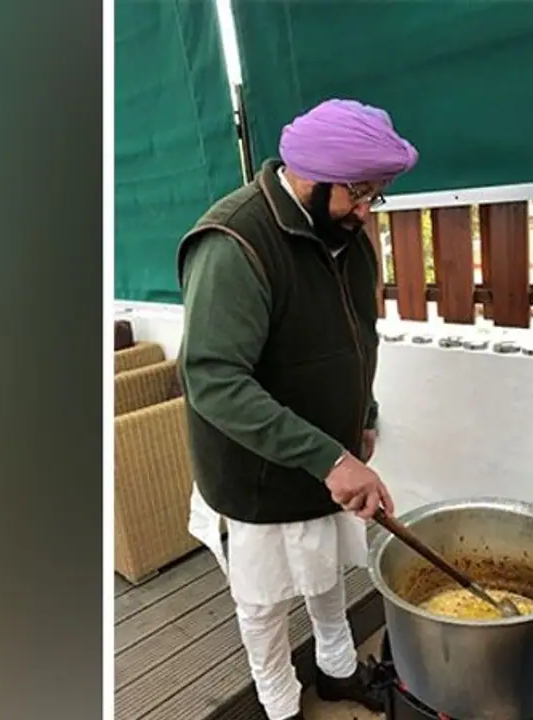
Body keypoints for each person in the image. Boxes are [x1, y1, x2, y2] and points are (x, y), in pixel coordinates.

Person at [178, 98, 418, 720]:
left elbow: (360, 336)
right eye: (359, 193)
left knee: (327, 571)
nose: (366, 211)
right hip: (256, 470)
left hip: (328, 453)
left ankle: (337, 672)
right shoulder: (235, 242)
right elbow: (213, 380)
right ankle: (279, 704)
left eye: (376, 195)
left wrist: (363, 416)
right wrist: (330, 458)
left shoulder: (347, 236)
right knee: (262, 603)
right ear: (311, 176)